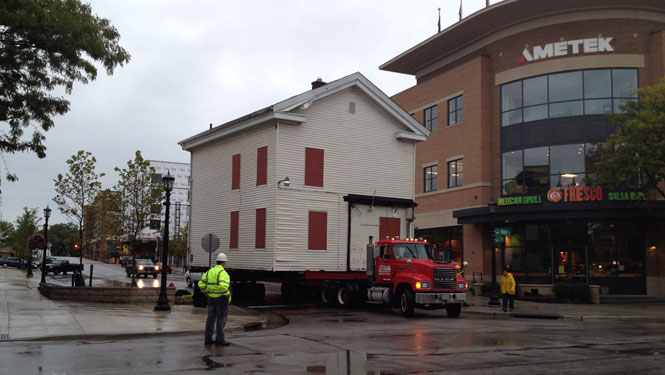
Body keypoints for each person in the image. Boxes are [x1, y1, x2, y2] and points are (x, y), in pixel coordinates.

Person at [198, 252, 232, 346]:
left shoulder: (210, 271)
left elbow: (201, 284)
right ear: (224, 263)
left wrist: (205, 292)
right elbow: (223, 287)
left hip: (211, 298)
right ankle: (220, 339)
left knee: (210, 318)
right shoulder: (223, 273)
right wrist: (228, 294)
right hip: (221, 299)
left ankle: (208, 338)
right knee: (221, 319)